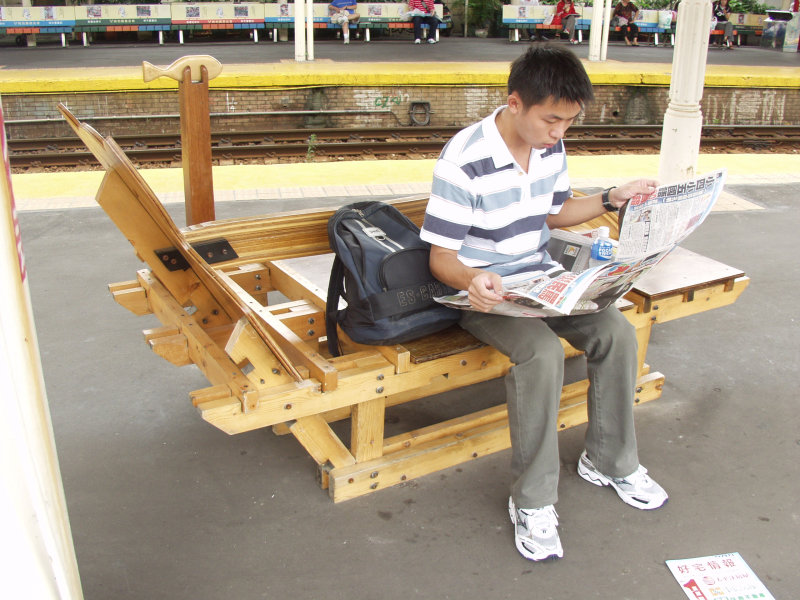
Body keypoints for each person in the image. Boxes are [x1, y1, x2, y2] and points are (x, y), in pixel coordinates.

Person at [420, 45, 668, 563]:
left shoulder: (550, 147)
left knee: (617, 333)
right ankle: (532, 501)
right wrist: (475, 279)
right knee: (542, 354)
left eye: (569, 123)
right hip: (484, 294)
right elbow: (440, 257)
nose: (560, 133)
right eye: (552, 120)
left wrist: (610, 198)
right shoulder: (464, 158)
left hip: (542, 277)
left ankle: (610, 461)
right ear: (515, 103)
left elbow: (555, 214)